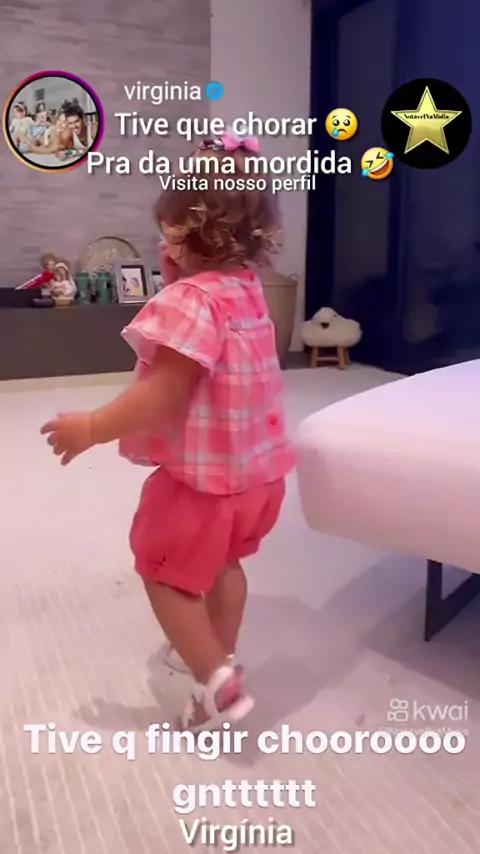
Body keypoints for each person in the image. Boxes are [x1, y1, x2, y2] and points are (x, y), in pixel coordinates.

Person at [40, 131, 295, 731]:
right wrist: (182, 272)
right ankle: (216, 655)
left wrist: (94, 426)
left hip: (200, 486)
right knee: (224, 565)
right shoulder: (247, 290)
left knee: (162, 571)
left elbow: (166, 389)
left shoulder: (189, 302)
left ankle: (214, 681)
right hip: (256, 478)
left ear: (181, 232)